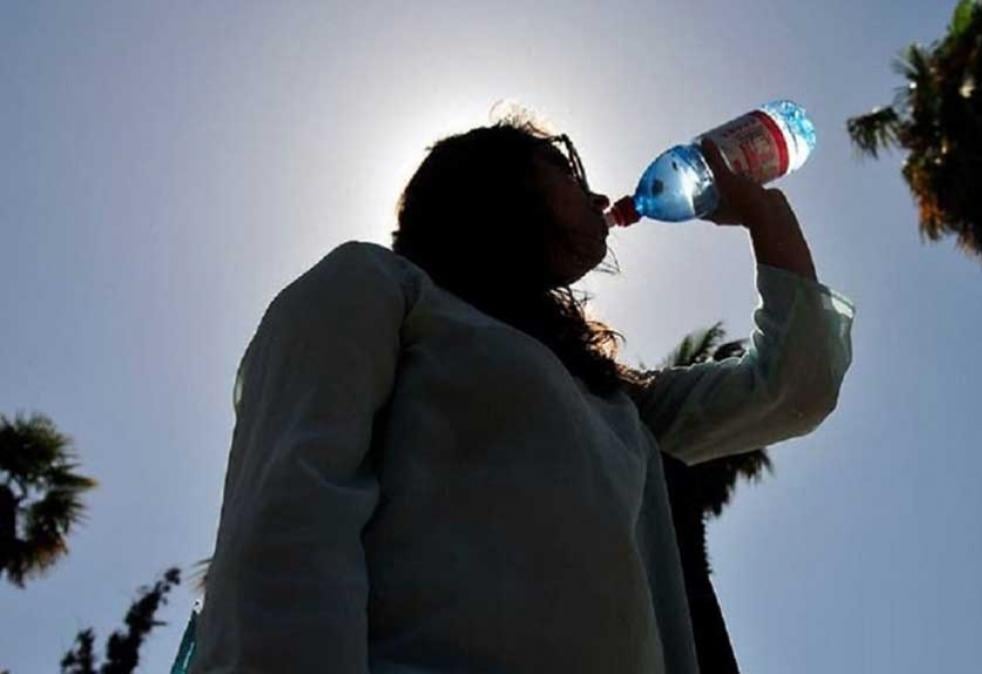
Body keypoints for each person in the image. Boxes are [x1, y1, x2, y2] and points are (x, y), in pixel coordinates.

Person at [190, 110, 855, 673]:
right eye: (566, 170)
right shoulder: (376, 287)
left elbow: (795, 387)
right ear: (492, 187)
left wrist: (765, 214)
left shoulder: (612, 403)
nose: (599, 198)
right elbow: (288, 518)